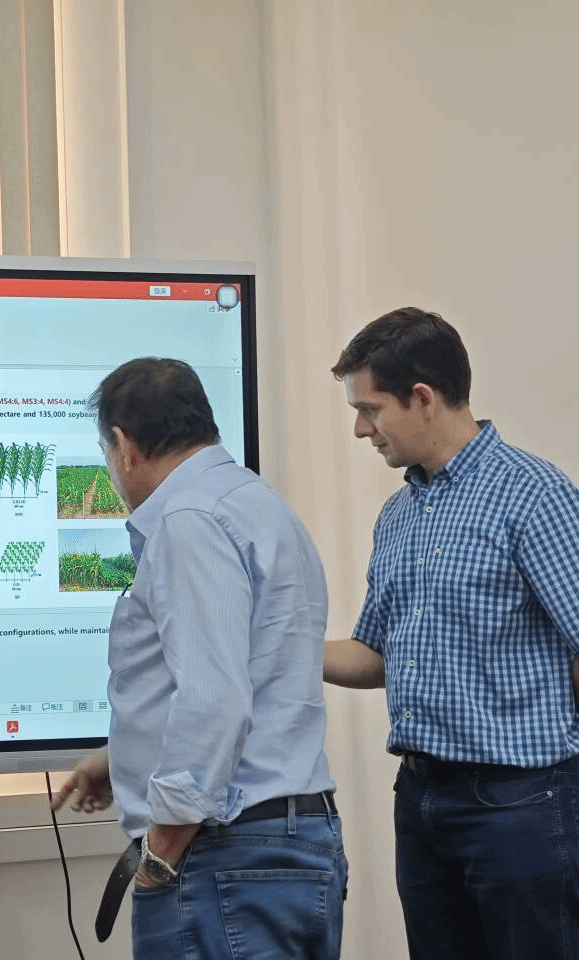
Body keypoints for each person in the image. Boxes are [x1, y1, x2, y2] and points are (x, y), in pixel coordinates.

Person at [52, 358, 346, 959]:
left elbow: (214, 699)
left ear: (124, 447)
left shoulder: (187, 521)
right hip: (288, 843)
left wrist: (163, 848)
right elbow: (251, 672)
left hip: (226, 852)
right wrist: (122, 757)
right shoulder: (256, 504)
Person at [324, 307, 579, 959]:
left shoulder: (534, 495)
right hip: (420, 800)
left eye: (370, 409)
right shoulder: (398, 515)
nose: (360, 429)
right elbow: (375, 654)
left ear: (422, 398)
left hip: (520, 803)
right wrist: (271, 646)